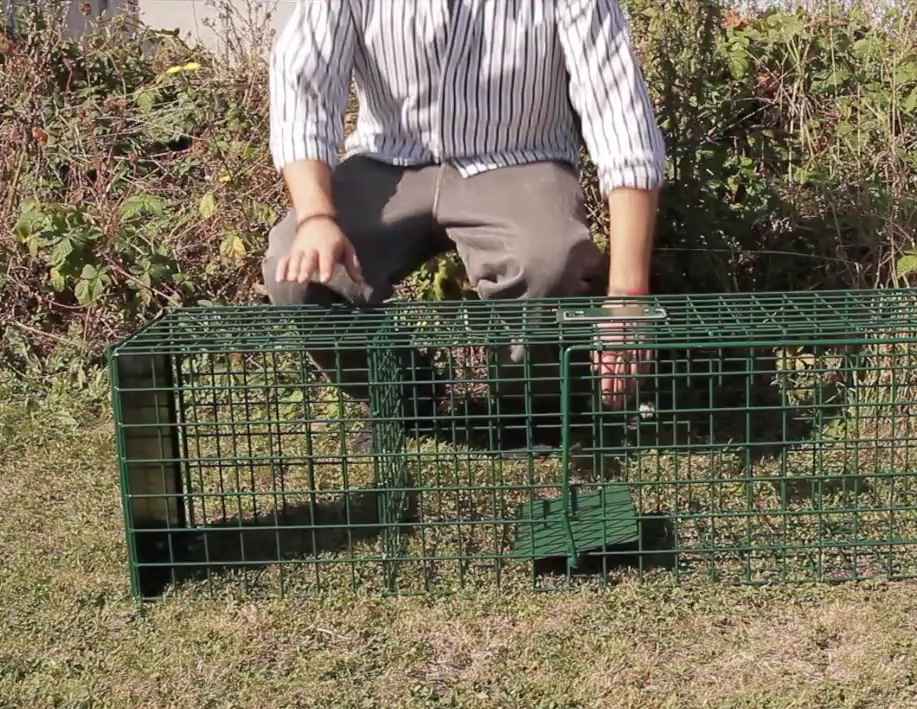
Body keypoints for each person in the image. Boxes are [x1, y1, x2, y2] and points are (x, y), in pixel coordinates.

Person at [261, 0, 666, 444]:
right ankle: (403, 392)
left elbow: (619, 116)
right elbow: (304, 86)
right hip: (388, 158)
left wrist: (629, 300)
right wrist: (317, 216)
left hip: (518, 157)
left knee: (550, 261)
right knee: (297, 267)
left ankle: (533, 407)